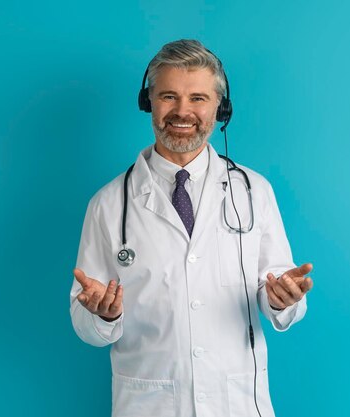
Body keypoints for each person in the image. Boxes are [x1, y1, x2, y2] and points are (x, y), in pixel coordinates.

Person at [69, 39, 314, 417]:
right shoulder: (108, 204)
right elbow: (86, 324)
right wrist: (103, 315)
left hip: (237, 404)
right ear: (148, 102)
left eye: (198, 98)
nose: (183, 112)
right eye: (168, 96)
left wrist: (283, 299)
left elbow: (279, 293)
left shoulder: (254, 192)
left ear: (220, 108)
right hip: (149, 405)